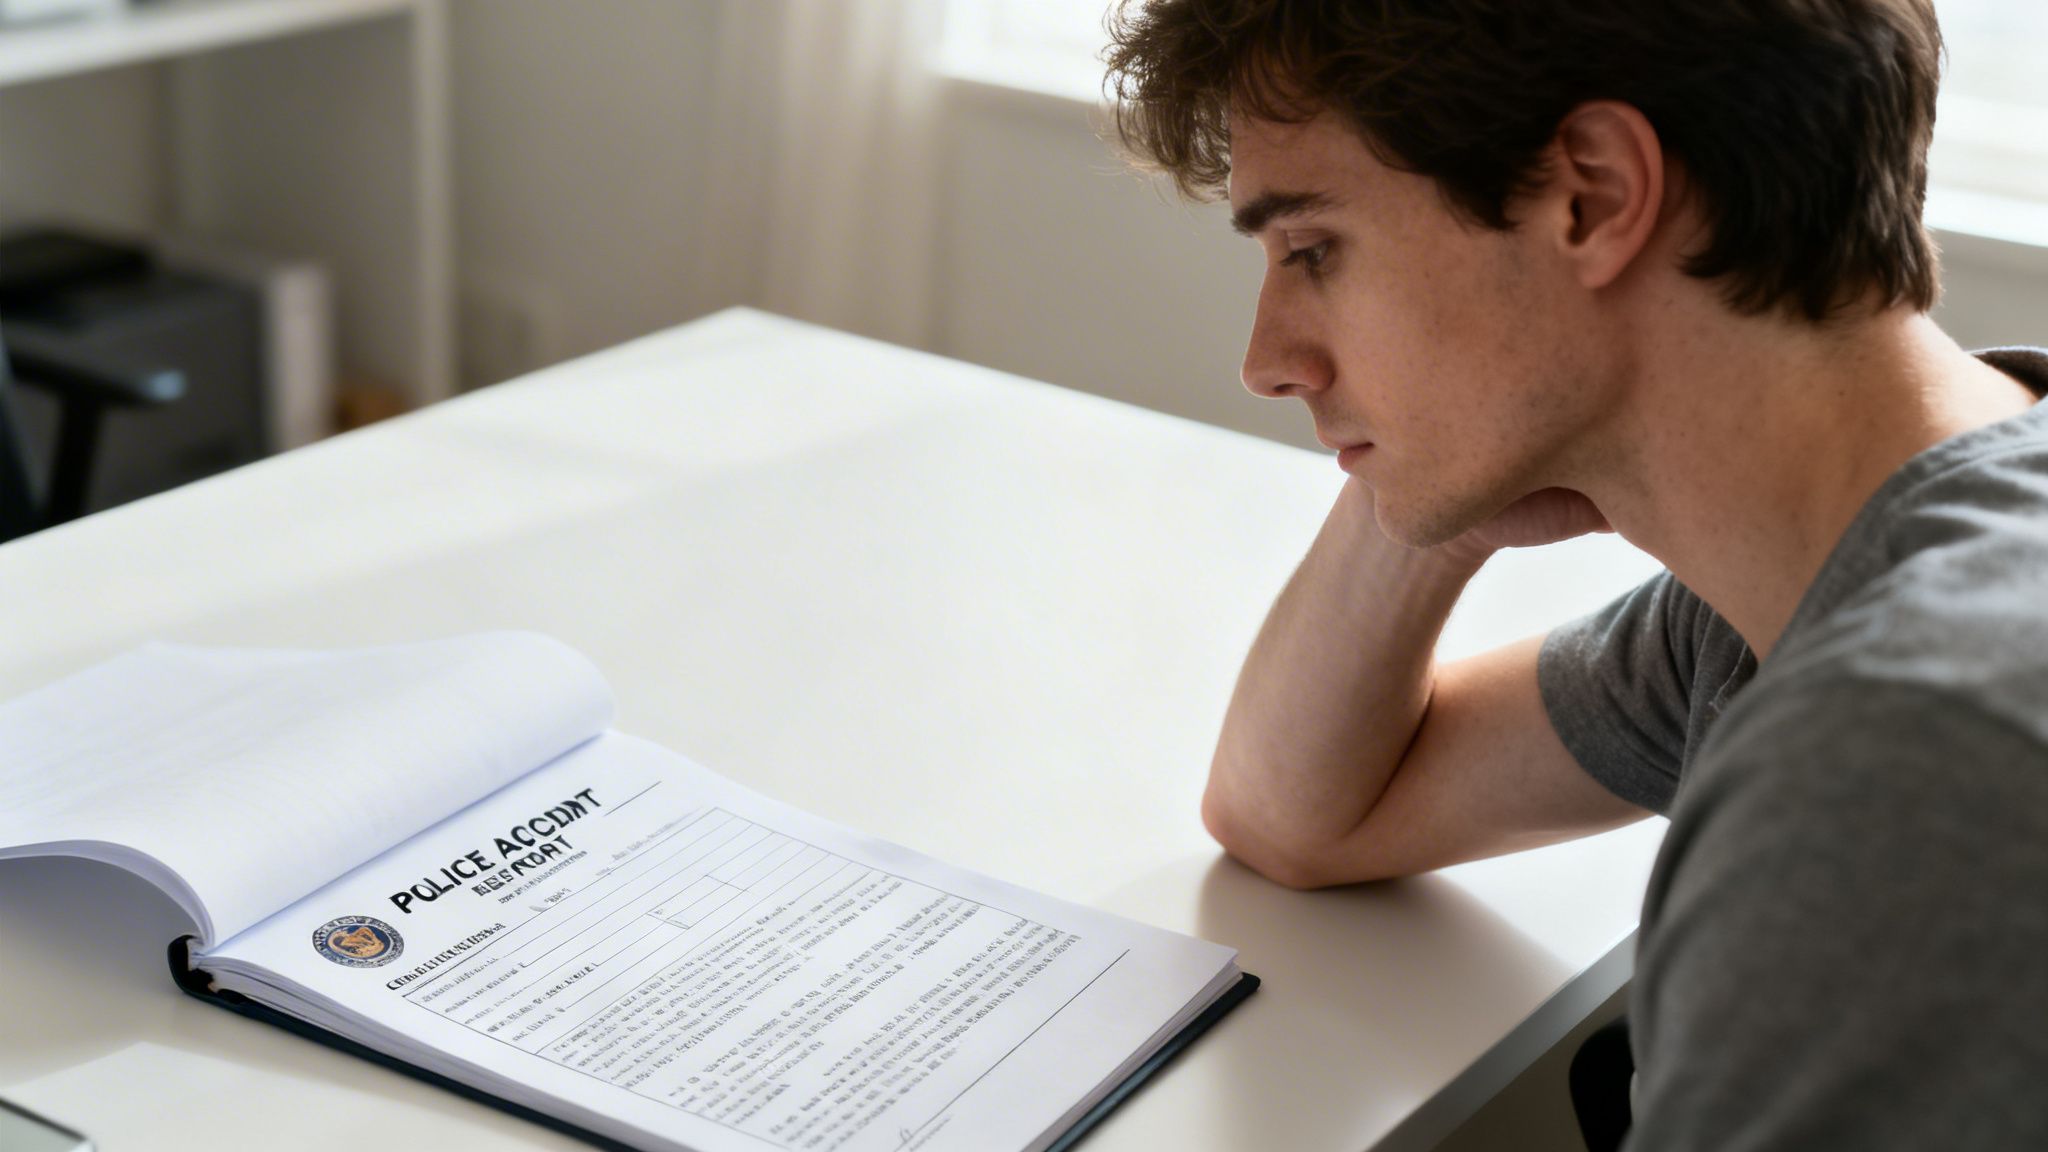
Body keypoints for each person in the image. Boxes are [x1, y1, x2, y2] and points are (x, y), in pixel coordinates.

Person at [1102, 1, 2048, 1147]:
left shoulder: (1897, 759)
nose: (1265, 362)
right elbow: (1295, 816)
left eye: (1313, 250)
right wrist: (1443, 500)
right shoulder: (1784, 596)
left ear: (1591, 196)